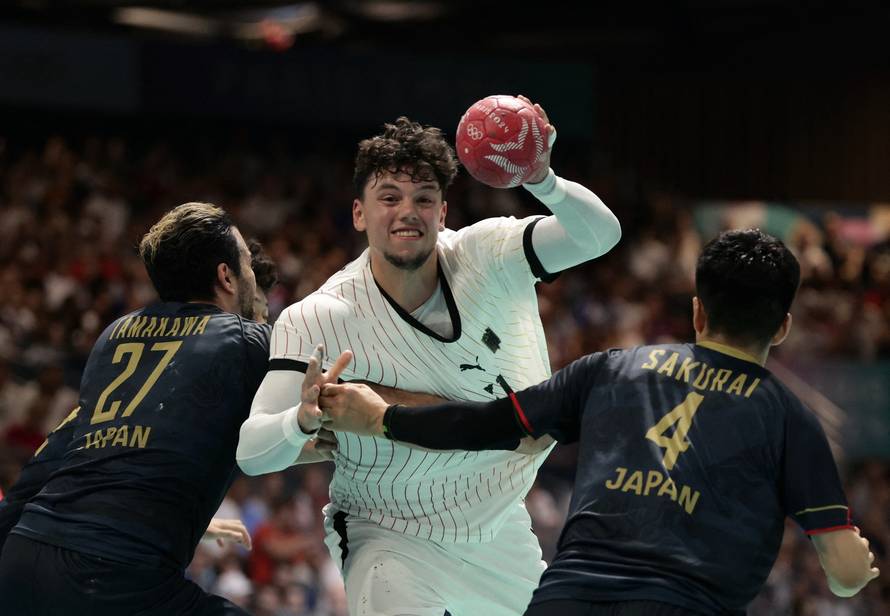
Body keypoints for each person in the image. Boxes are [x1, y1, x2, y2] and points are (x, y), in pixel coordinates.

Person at [320, 228, 880, 615]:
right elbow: (844, 572)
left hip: (565, 600)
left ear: (698, 311)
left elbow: (488, 425)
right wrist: (856, 559)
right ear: (781, 327)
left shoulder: (613, 368)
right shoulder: (790, 419)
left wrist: (383, 419)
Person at [236, 97, 622, 616]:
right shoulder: (319, 317)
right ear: (359, 213)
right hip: (389, 533)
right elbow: (251, 451)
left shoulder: (489, 253)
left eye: (423, 198)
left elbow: (599, 234)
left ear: (443, 211)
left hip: (499, 525)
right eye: (388, 197)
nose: (407, 212)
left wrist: (542, 178)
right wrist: (299, 421)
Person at [0, 202, 271, 615]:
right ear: (226, 276)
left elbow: (54, 456)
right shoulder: (243, 338)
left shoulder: (115, 335)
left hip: (24, 558)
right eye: (248, 263)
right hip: (111, 578)